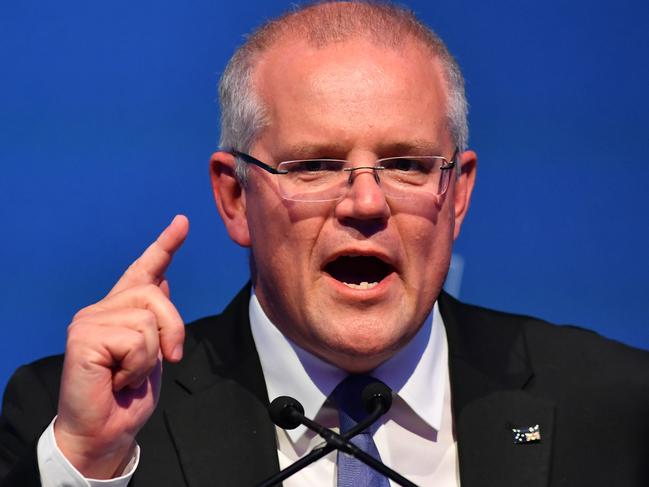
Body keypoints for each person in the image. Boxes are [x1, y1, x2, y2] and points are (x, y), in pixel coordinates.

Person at [1, 1, 648, 486]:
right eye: (313, 166)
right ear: (234, 197)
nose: (364, 203)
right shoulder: (84, 424)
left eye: (404, 164)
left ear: (455, 193)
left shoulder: (618, 406)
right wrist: (90, 464)